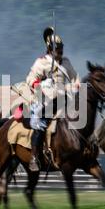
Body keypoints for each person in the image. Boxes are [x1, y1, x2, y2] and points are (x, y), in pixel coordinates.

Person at [25, 27, 80, 171]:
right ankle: (34, 157)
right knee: (40, 123)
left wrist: (76, 86)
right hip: (46, 100)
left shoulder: (66, 62)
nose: (60, 51)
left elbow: (75, 78)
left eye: (61, 48)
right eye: (57, 48)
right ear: (50, 49)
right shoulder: (41, 62)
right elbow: (30, 79)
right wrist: (41, 84)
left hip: (65, 98)